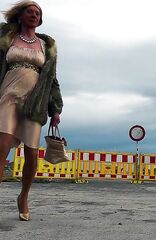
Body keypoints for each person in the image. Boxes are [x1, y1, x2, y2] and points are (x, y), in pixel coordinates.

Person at [0, 0, 63, 221]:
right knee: (2, 148)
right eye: (30, 11)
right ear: (20, 15)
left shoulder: (46, 46)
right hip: (7, 96)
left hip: (35, 102)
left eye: (38, 13)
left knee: (32, 154)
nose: (34, 15)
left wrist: (55, 109)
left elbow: (52, 80)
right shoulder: (6, 38)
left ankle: (24, 197)